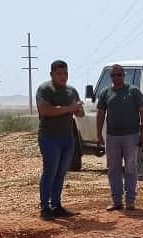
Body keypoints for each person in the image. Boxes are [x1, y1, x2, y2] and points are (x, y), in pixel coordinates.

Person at [35, 60, 83, 220]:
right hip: (49, 138)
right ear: (52, 74)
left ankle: (56, 205)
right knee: (50, 172)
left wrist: (78, 109)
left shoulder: (71, 91)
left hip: (67, 138)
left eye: (65, 73)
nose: (63, 77)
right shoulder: (45, 89)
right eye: (59, 74)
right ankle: (45, 208)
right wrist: (69, 108)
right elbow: (45, 110)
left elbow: (79, 113)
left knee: (61, 173)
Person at [96, 64, 143, 211]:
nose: (116, 77)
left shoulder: (133, 91)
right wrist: (99, 134)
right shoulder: (105, 93)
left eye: (119, 75)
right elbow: (100, 114)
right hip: (112, 137)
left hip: (131, 136)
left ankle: (130, 200)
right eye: (113, 75)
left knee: (131, 168)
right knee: (113, 169)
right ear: (110, 77)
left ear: (123, 75)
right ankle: (116, 201)